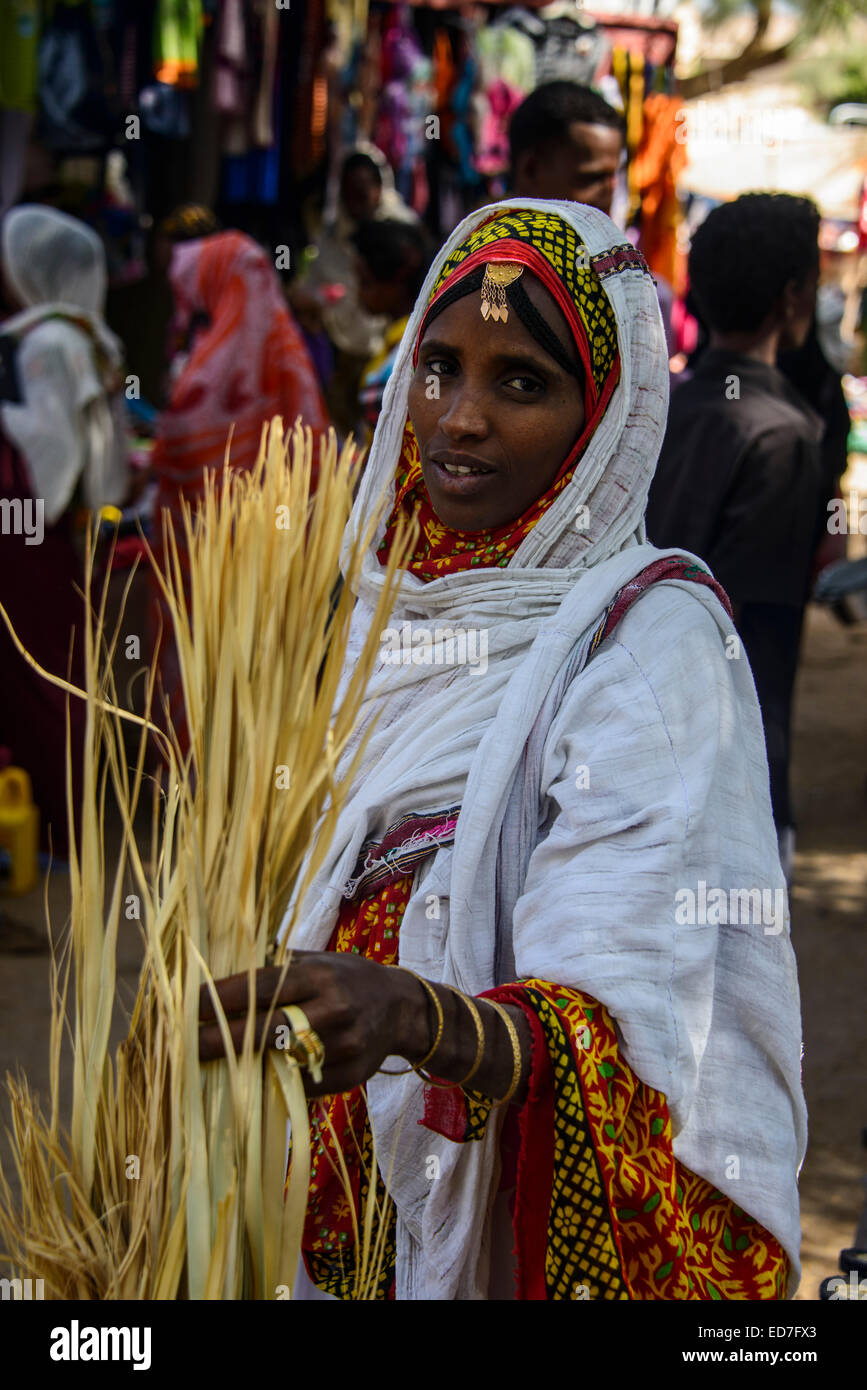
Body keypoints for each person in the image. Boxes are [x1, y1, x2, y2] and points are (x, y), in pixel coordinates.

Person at [198, 201, 807, 1301]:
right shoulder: (361, 612)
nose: (459, 418)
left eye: (521, 381)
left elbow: (637, 1041)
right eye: (438, 366)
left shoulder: (646, 643)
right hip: (306, 1232)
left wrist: (413, 1015)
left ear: (602, 419)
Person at [646, 194, 825, 883]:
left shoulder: (658, 410)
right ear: (790, 298)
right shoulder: (783, 434)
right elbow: (752, 641)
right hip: (720, 769)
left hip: (635, 737)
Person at [150, 229, 329, 735]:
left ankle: (205, 782)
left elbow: (183, 446)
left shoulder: (212, 364)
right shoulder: (289, 351)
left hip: (209, 557)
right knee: (265, 665)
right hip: (283, 548)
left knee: (207, 661)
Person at [0, 205, 130, 859]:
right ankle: (63, 814)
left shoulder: (48, 344)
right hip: (59, 531)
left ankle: (54, 823)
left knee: (36, 673)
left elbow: (51, 452)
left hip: (31, 531)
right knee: (59, 669)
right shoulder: (85, 336)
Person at [353, 218, 435, 439]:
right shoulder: (405, 342)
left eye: (365, 282)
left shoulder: (406, 354)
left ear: (399, 277)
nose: (358, 294)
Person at [508, 82, 625, 216]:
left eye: (614, 176)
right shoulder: (497, 235)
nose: (610, 191)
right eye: (593, 178)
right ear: (531, 170)